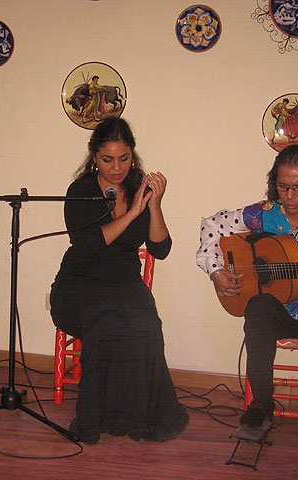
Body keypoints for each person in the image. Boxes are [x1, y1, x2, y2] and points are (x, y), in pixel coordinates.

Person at [196, 145, 298, 472]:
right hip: (277, 309)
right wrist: (216, 272)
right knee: (257, 309)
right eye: (283, 186)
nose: (290, 196)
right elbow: (212, 226)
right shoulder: (263, 214)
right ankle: (262, 406)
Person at [50, 116, 189, 445]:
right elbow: (87, 246)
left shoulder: (140, 187)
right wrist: (130, 213)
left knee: (146, 321)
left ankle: (137, 416)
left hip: (125, 282)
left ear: (133, 155)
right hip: (80, 282)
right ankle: (95, 418)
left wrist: (153, 205)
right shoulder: (80, 191)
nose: (117, 168)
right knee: (104, 318)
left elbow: (161, 248)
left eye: (124, 158)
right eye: (107, 159)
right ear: (94, 157)